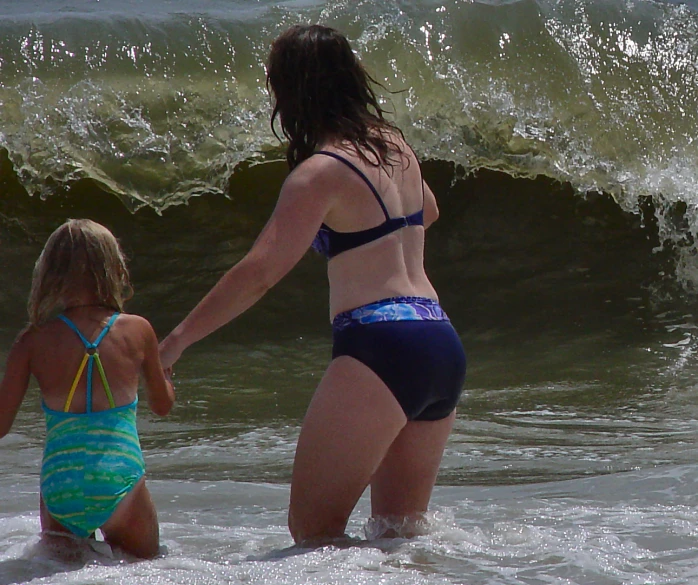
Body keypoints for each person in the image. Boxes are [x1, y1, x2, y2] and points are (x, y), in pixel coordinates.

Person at [158, 24, 466, 545]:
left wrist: (176, 341)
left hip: (379, 343)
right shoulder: (395, 147)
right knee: (397, 537)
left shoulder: (320, 172)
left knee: (313, 532)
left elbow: (258, 273)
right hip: (439, 340)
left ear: (293, 93)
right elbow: (428, 211)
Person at [0, 218, 175, 559]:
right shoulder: (137, 331)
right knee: (145, 571)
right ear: (114, 267)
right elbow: (162, 405)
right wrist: (168, 380)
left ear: (49, 273)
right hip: (119, 476)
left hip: (60, 483)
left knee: (56, 576)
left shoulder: (32, 340)